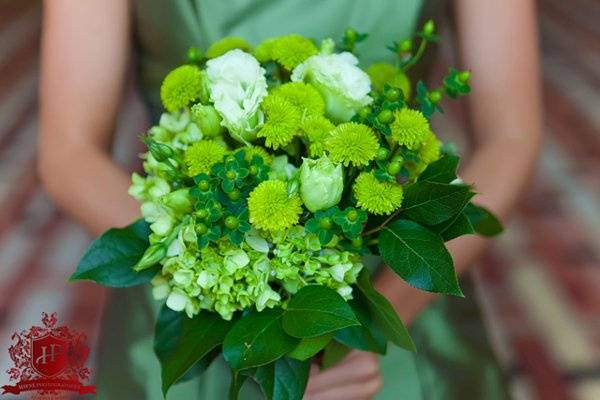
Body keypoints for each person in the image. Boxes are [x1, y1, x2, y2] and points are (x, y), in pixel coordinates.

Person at [38, 0, 542, 399]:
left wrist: (369, 322)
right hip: (199, 291)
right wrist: (221, 276)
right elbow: (69, 150)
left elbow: (512, 137)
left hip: (393, 291)